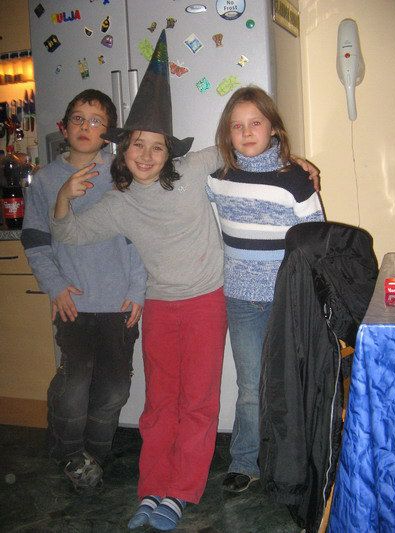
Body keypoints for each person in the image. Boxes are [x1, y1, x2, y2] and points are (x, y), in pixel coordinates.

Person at [49, 32, 320, 531]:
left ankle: (180, 492)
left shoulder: (194, 169)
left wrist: (295, 162)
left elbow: (245, 146)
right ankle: (152, 487)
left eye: (157, 147)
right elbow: (68, 232)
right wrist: (65, 195)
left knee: (197, 402)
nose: (146, 155)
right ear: (123, 151)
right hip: (159, 307)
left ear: (170, 153)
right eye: (137, 145)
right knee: (159, 403)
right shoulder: (118, 204)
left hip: (207, 303)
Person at [21, 89, 147, 491]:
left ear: (108, 132)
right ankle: (70, 453)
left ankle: (95, 454)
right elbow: (36, 241)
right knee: (75, 382)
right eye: (77, 118)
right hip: (73, 302)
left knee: (115, 387)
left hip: (119, 302)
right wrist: (55, 286)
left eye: (95, 121)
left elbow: (139, 238)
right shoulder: (45, 180)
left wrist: (138, 288)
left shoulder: (123, 175)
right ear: (64, 126)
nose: (85, 126)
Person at [206, 86, 325, 494]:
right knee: (249, 387)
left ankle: (291, 464)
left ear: (273, 127)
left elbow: (315, 242)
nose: (246, 132)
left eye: (255, 122)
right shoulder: (217, 180)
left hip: (286, 300)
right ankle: (244, 461)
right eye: (236, 125)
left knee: (288, 383)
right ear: (227, 133)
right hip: (240, 299)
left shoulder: (296, 180)